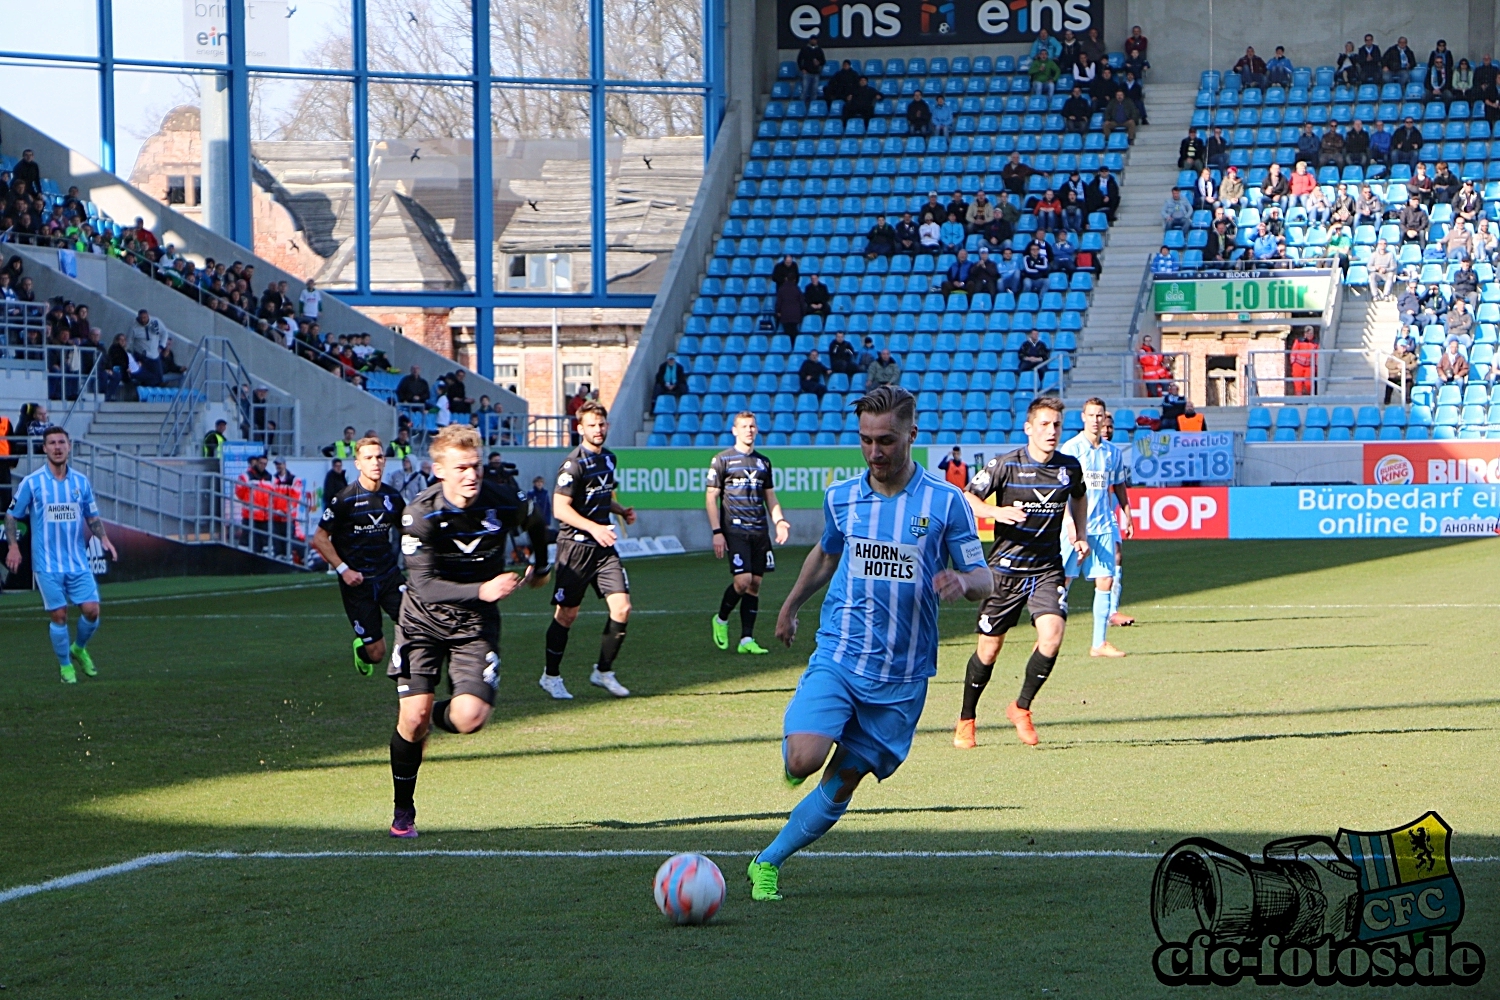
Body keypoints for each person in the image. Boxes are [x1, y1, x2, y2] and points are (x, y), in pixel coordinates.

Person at [745, 385, 991, 902]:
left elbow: (982, 578)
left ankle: (766, 862)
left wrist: (962, 583)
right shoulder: (842, 497)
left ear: (911, 435)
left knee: (844, 779)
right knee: (802, 761)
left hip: (903, 674)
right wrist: (790, 607)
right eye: (866, 441)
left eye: (887, 441)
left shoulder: (946, 502)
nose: (875, 453)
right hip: (841, 653)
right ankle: (800, 750)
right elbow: (826, 554)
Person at [384, 424, 532, 838]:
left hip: (474, 624)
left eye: (476, 466)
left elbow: (534, 522)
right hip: (422, 621)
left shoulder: (502, 498)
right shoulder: (418, 514)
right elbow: (425, 586)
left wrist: (538, 560)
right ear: (439, 470)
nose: (471, 475)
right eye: (462, 467)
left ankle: (431, 713)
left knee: (470, 717)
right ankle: (403, 810)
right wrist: (484, 589)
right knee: (409, 723)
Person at [951, 396, 1086, 750]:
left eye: (1056, 424)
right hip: (1005, 570)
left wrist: (1080, 533)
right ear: (1029, 428)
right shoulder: (1006, 464)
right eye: (1044, 424)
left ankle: (1021, 708)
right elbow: (967, 497)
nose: (1051, 431)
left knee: (1053, 635)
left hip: (1046, 569)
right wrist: (997, 513)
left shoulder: (1069, 467)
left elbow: (1079, 496)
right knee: (989, 651)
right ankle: (967, 719)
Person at [5, 426, 118, 683]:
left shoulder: (80, 482)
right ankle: (66, 666)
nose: (57, 447)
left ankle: (78, 648)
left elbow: (91, 515)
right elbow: (12, 514)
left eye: (61, 442)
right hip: (47, 563)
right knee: (59, 615)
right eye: (52, 443)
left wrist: (104, 539)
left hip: (77, 561)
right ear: (44, 448)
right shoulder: (32, 483)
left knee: (92, 611)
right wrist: (13, 546)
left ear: (69, 447)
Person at [542, 401, 635, 700]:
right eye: (592, 425)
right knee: (567, 615)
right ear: (580, 428)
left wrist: (620, 510)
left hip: (602, 548)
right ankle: (551, 676)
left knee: (622, 608)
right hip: (575, 549)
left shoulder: (609, 459)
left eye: (602, 424)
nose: (598, 429)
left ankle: (603, 671)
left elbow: (601, 497)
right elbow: (560, 508)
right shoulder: (573, 464)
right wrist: (593, 527)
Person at [311, 435, 407, 676]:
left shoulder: (393, 497)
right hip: (358, 583)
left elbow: (409, 530)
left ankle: (407, 671)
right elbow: (320, 538)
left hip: (389, 576)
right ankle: (361, 648)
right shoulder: (345, 499)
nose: (375, 462)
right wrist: (344, 570)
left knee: (416, 623)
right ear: (358, 464)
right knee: (376, 653)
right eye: (368, 458)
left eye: (379, 457)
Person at [706, 413, 790, 657]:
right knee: (742, 581)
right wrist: (717, 532)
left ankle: (746, 639)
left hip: (759, 530)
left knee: (754, 585)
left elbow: (770, 497)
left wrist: (780, 521)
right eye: (744, 426)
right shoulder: (722, 460)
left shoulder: (763, 462)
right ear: (734, 430)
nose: (749, 430)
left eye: (752, 426)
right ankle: (721, 620)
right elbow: (711, 497)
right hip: (735, 529)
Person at [1058, 398, 1133, 659]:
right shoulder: (1071, 449)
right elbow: (1060, 491)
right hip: (1075, 527)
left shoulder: (1112, 452)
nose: (1095, 419)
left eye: (1099, 415)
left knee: (1106, 580)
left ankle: (1099, 643)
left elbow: (1120, 485)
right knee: (1062, 583)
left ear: (1104, 419)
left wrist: (1127, 513)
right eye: (1091, 415)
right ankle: (1047, 638)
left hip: (1102, 526)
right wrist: (1069, 523)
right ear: (1083, 418)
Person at [126, 309, 168, 388]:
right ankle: (143, 389)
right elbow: (129, 341)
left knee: (158, 377)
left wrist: (162, 345)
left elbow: (164, 333)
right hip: (141, 354)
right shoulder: (134, 327)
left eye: (144, 317)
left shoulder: (155, 322)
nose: (143, 320)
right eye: (141, 318)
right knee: (144, 374)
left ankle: (153, 391)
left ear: (148, 316)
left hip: (154, 354)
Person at [1386, 331, 1418, 402]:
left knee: (1409, 380)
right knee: (1390, 380)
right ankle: (1387, 399)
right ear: (1397, 346)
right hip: (1395, 374)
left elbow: (1415, 364)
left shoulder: (1410, 355)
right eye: (1402, 346)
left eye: (1404, 346)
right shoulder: (1393, 355)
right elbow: (1387, 364)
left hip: (1405, 374)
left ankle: (1407, 398)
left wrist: (1405, 366)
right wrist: (1397, 366)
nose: (1403, 348)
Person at [796, 33, 826, 104]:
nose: (813, 41)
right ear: (810, 41)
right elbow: (799, 60)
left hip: (816, 73)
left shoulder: (819, 50)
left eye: (814, 40)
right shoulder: (804, 49)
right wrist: (802, 69)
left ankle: (813, 107)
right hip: (807, 73)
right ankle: (801, 106)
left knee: (814, 91)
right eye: (812, 40)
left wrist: (819, 63)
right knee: (804, 91)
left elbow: (823, 61)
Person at [1289, 327, 1318, 395]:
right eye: (1307, 333)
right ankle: (1299, 400)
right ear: (1304, 333)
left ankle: (1310, 398)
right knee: (1297, 384)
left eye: (1310, 333)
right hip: (1298, 365)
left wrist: (1316, 366)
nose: (1309, 335)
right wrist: (1293, 363)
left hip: (1309, 366)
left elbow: (1317, 355)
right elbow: (1294, 351)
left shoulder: (1316, 343)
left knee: (1309, 384)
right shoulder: (1299, 341)